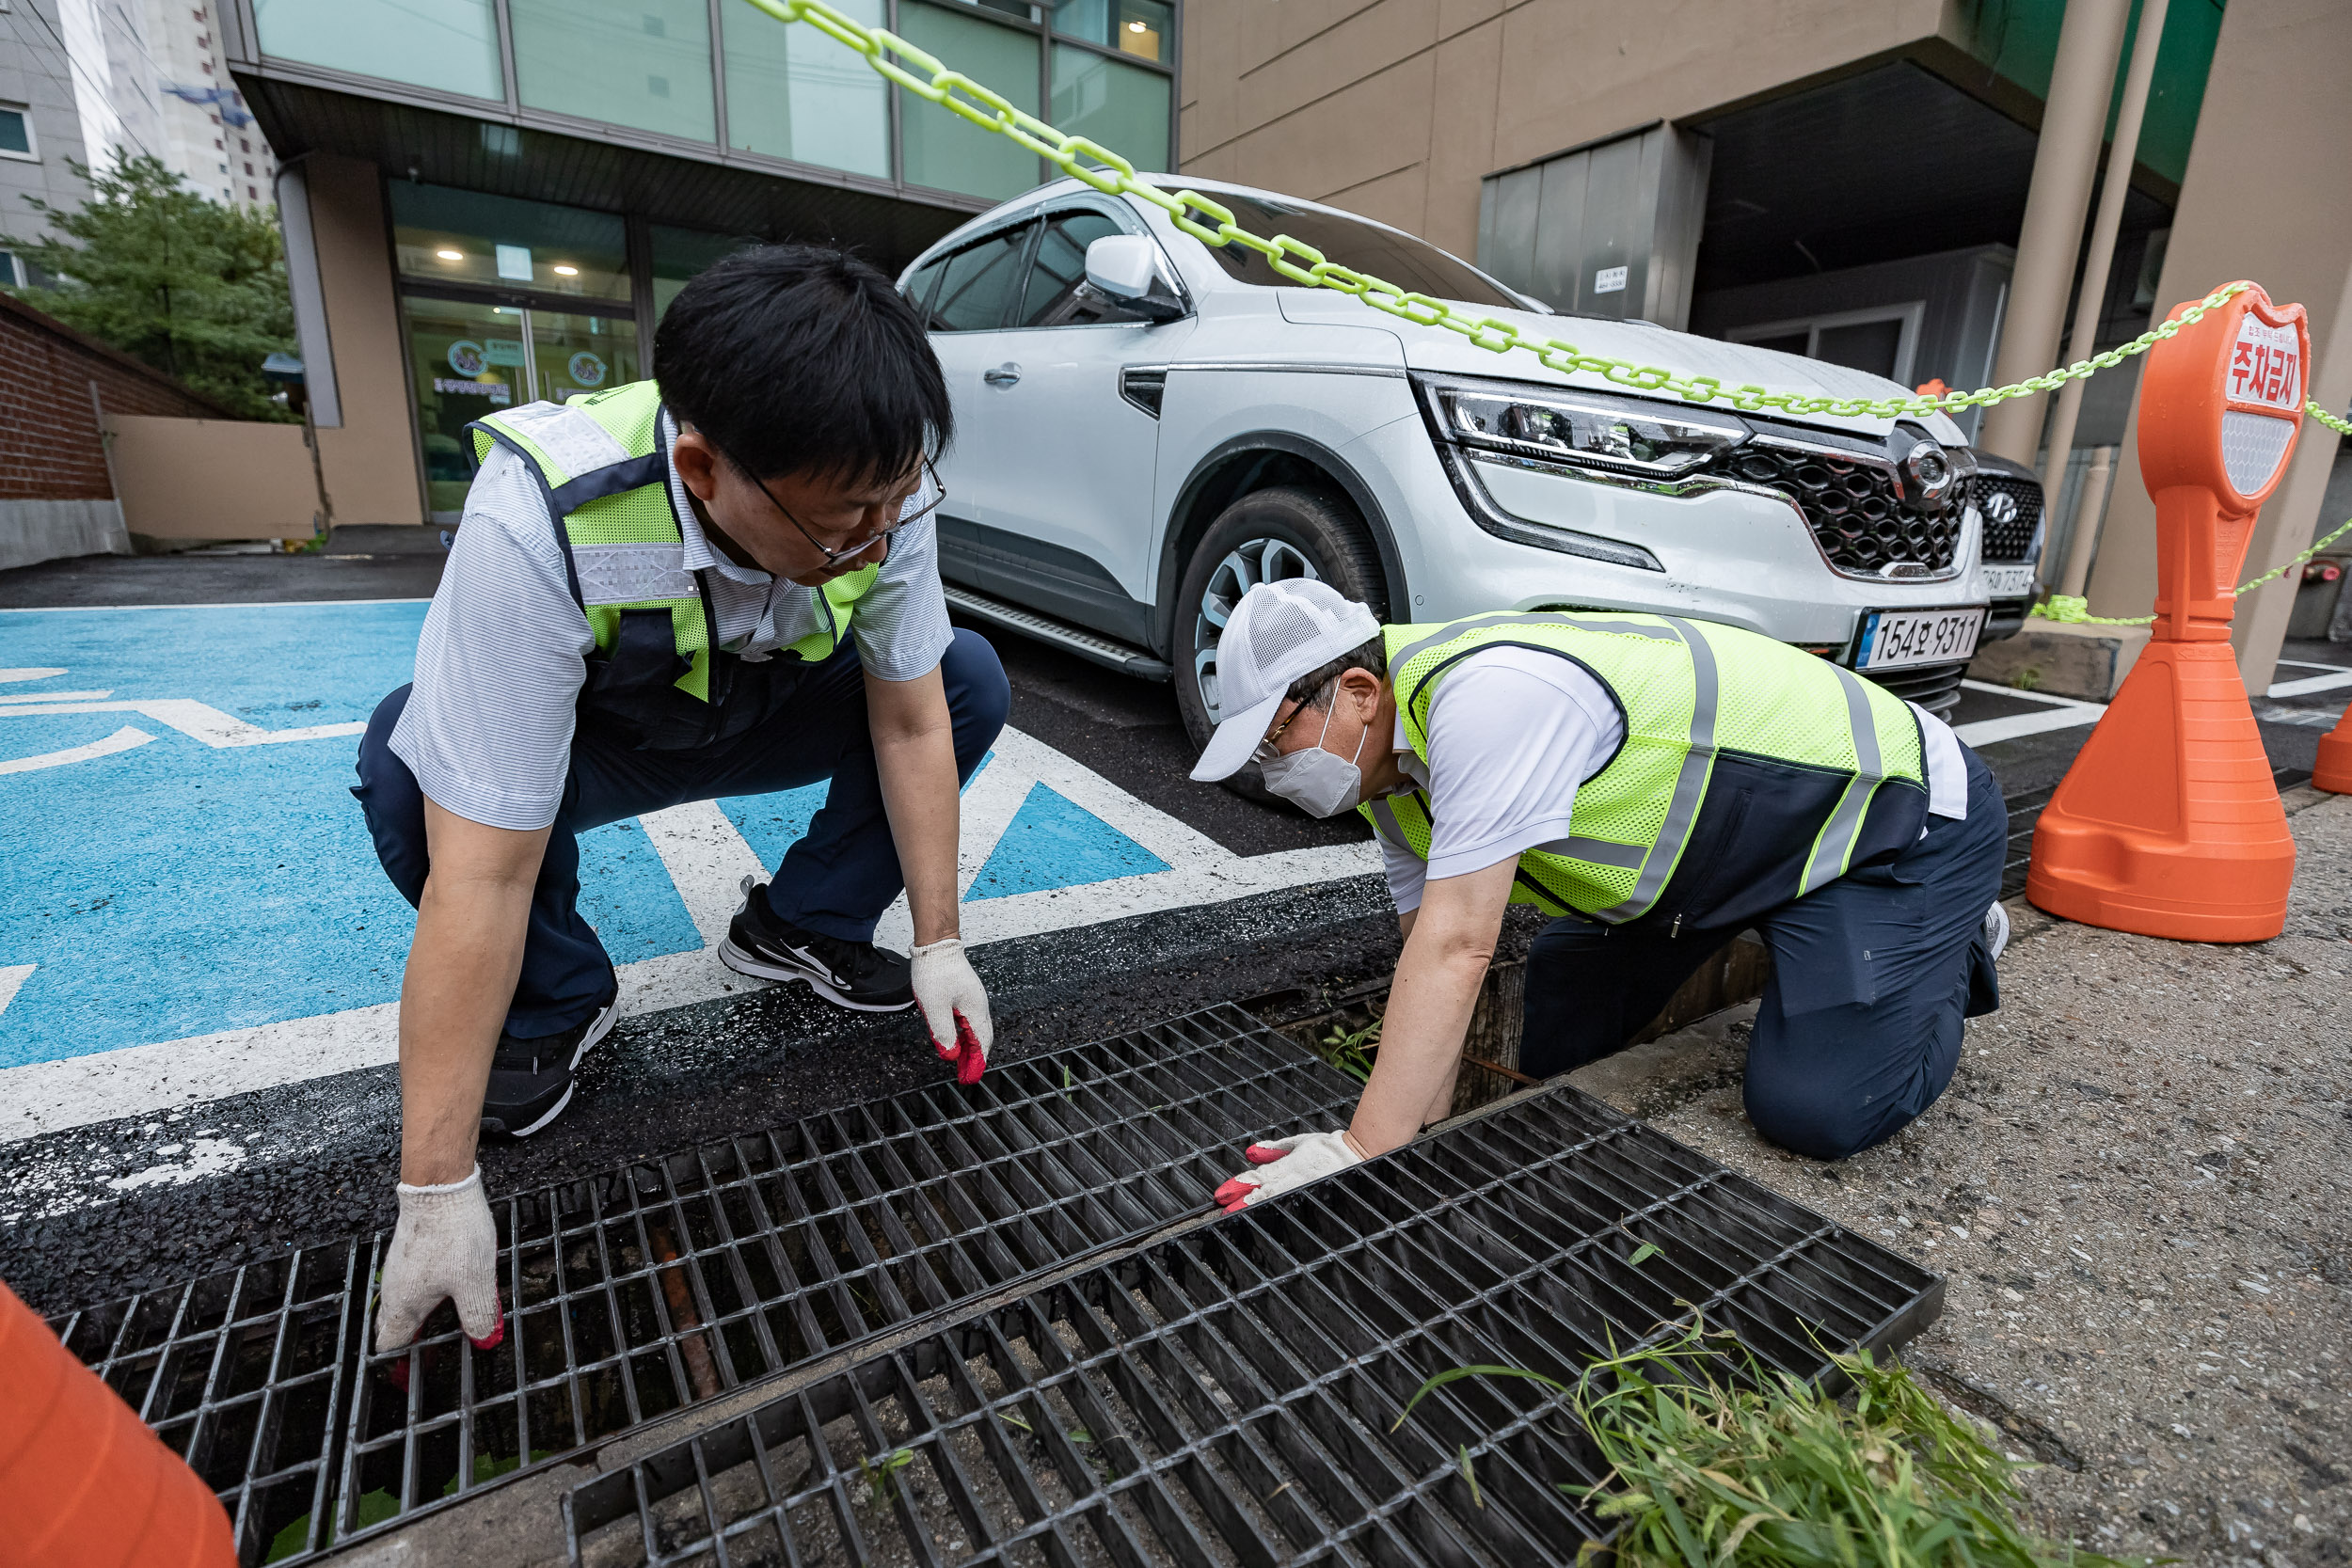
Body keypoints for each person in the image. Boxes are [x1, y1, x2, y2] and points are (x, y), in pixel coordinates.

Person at [352, 245, 1009, 1353]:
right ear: (702, 469)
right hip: (603, 741)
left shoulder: (871, 485)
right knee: (410, 764)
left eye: (895, 501)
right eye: (845, 521)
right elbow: (487, 862)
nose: (879, 537)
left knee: (965, 677)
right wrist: (434, 1183)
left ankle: (801, 927)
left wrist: (940, 940)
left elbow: (908, 718)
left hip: (771, 710)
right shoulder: (546, 509)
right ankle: (560, 999)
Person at [1192, 579, 2007, 1210]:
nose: (1271, 770)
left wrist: (1360, 1150)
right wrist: (1408, 1127)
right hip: (1719, 858)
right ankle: (1810, 936)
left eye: (1275, 737)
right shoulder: (1392, 777)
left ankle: (1953, 936)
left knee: (1816, 1109)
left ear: (1361, 691)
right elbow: (1425, 944)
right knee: (1545, 1034)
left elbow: (1459, 946)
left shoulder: (1487, 699)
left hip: (1896, 815)